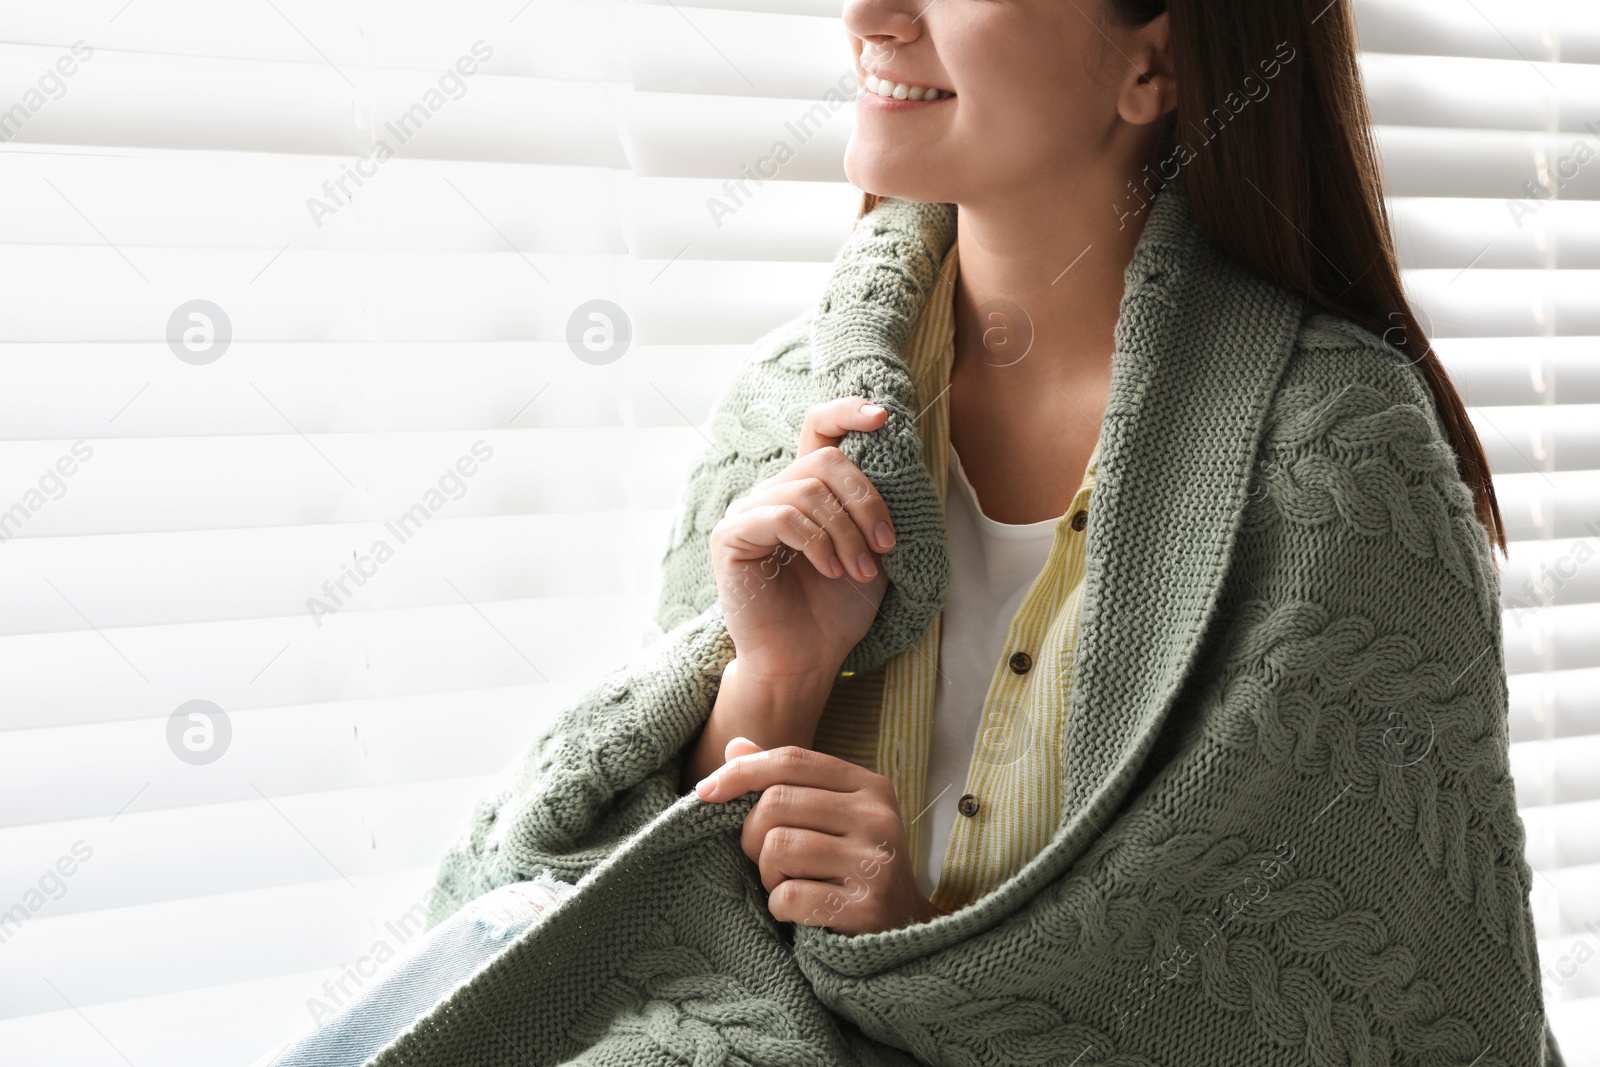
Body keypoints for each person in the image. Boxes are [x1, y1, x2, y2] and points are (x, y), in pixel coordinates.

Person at [260, 1, 1564, 1063]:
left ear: (1155, 62)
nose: (873, 16)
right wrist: (771, 680)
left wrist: (916, 931)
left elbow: (1368, 1002)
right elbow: (611, 926)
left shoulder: (1342, 462)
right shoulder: (788, 407)